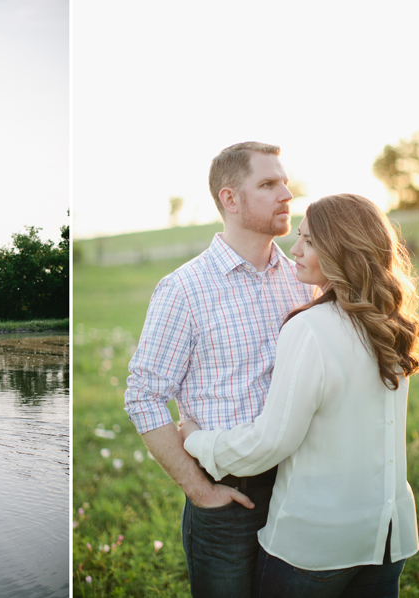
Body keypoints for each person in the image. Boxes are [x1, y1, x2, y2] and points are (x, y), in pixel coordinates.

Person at [179, 193, 419, 597]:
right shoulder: (391, 322)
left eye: (308, 241)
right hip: (387, 535)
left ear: (341, 248)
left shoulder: (309, 328)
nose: (294, 250)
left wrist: (194, 438)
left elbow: (270, 442)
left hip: (315, 547)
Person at [124, 141, 313, 597]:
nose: (286, 194)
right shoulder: (184, 289)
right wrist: (199, 490)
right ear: (230, 199)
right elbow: (143, 394)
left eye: (284, 182)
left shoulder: (303, 278)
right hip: (227, 497)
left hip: (302, 485)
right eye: (268, 184)